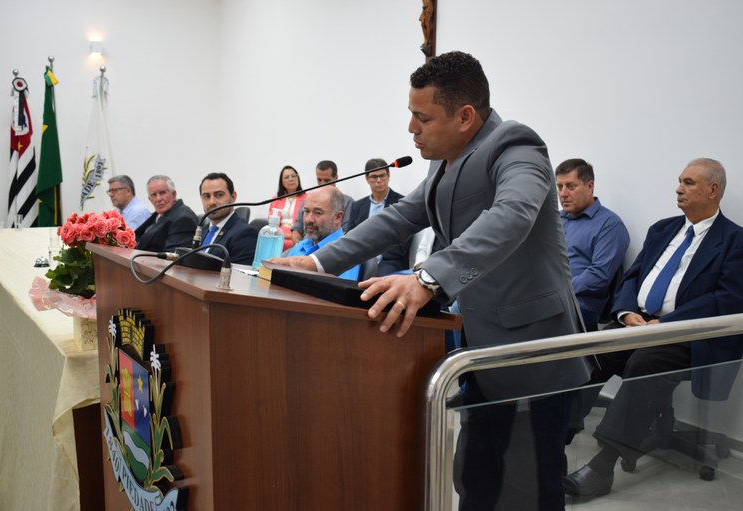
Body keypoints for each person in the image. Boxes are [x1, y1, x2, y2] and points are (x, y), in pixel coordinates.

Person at [271, 50, 591, 510]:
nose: (411, 128)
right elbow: (401, 217)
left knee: (530, 489)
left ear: (465, 117)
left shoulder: (517, 147)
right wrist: (320, 262)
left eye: (422, 118)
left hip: (533, 356)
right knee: (477, 481)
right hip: (480, 352)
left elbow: (512, 215)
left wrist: (427, 278)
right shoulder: (444, 161)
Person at [563, 158, 743, 499]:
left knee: (645, 362)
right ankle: (557, 439)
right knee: (593, 350)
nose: (678, 189)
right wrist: (627, 313)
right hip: (641, 323)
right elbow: (632, 277)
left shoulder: (735, 240)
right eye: (679, 181)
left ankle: (602, 467)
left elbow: (726, 300)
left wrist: (666, 323)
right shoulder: (662, 229)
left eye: (688, 183)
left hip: (690, 334)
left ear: (713, 190)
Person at [556, 158, 630, 332]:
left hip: (579, 305)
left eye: (571, 186)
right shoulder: (555, 219)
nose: (563, 193)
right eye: (559, 187)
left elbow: (599, 275)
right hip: (550, 298)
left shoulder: (609, 224)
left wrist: (558, 291)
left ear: (590, 186)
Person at [345, 158, 412, 276]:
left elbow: (405, 239)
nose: (379, 180)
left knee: (381, 279)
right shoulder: (358, 206)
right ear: (367, 179)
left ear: (389, 176)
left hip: (389, 260)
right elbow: (350, 235)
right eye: (374, 177)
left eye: (382, 176)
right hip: (361, 259)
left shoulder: (401, 202)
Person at [288, 186, 359, 280]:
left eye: (318, 213)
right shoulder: (300, 246)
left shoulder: (346, 255)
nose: (309, 219)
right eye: (306, 211)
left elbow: (337, 289)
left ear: (337, 217)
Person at [199, 172, 257, 265]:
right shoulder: (202, 231)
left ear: (233, 197)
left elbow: (239, 273)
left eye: (219, 195)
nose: (212, 202)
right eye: (206, 196)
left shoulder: (245, 233)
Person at [290, 160, 354, 244]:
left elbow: (346, 232)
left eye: (327, 180)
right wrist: (299, 246)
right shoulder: (308, 200)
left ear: (336, 178)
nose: (322, 184)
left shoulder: (347, 202)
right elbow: (297, 229)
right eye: (319, 180)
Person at [134, 175, 197, 252]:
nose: (158, 199)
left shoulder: (183, 219)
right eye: (154, 195)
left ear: (174, 194)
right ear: (150, 199)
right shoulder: (158, 215)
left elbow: (172, 255)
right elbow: (137, 237)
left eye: (162, 193)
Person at [268, 165, 306, 250]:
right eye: (286, 177)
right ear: (281, 182)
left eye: (293, 176)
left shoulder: (307, 198)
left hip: (297, 236)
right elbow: (271, 223)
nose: (291, 179)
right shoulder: (275, 200)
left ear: (298, 178)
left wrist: (287, 236)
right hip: (277, 235)